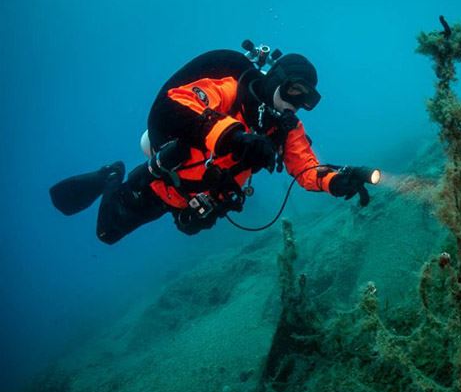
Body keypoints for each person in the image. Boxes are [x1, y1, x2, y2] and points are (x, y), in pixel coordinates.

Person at [50, 44, 375, 244]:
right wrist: (234, 135)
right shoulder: (231, 90)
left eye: (308, 100)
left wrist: (335, 181)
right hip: (159, 186)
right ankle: (111, 174)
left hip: (199, 202)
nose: (297, 105)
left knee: (188, 227)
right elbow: (179, 101)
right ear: (278, 79)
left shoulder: (287, 129)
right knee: (107, 234)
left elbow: (306, 168)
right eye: (295, 91)